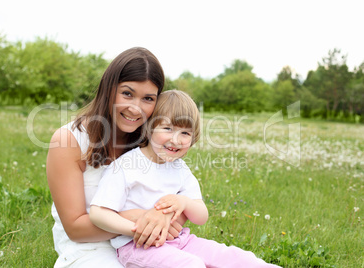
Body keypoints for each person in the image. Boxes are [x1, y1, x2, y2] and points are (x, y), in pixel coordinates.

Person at [90, 90, 281, 268]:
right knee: (190, 265)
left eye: (185, 133)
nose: (176, 139)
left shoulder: (180, 169)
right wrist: (140, 229)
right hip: (138, 246)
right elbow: (99, 213)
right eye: (167, 128)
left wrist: (183, 201)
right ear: (149, 128)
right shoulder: (125, 166)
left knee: (237, 258)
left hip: (180, 241)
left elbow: (201, 216)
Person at [46, 47, 187, 267]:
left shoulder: (152, 143)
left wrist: (165, 218)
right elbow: (75, 229)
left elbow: (179, 201)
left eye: (148, 98)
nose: (135, 108)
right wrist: (141, 218)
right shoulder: (68, 140)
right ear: (109, 89)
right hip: (89, 250)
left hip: (145, 245)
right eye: (127, 93)